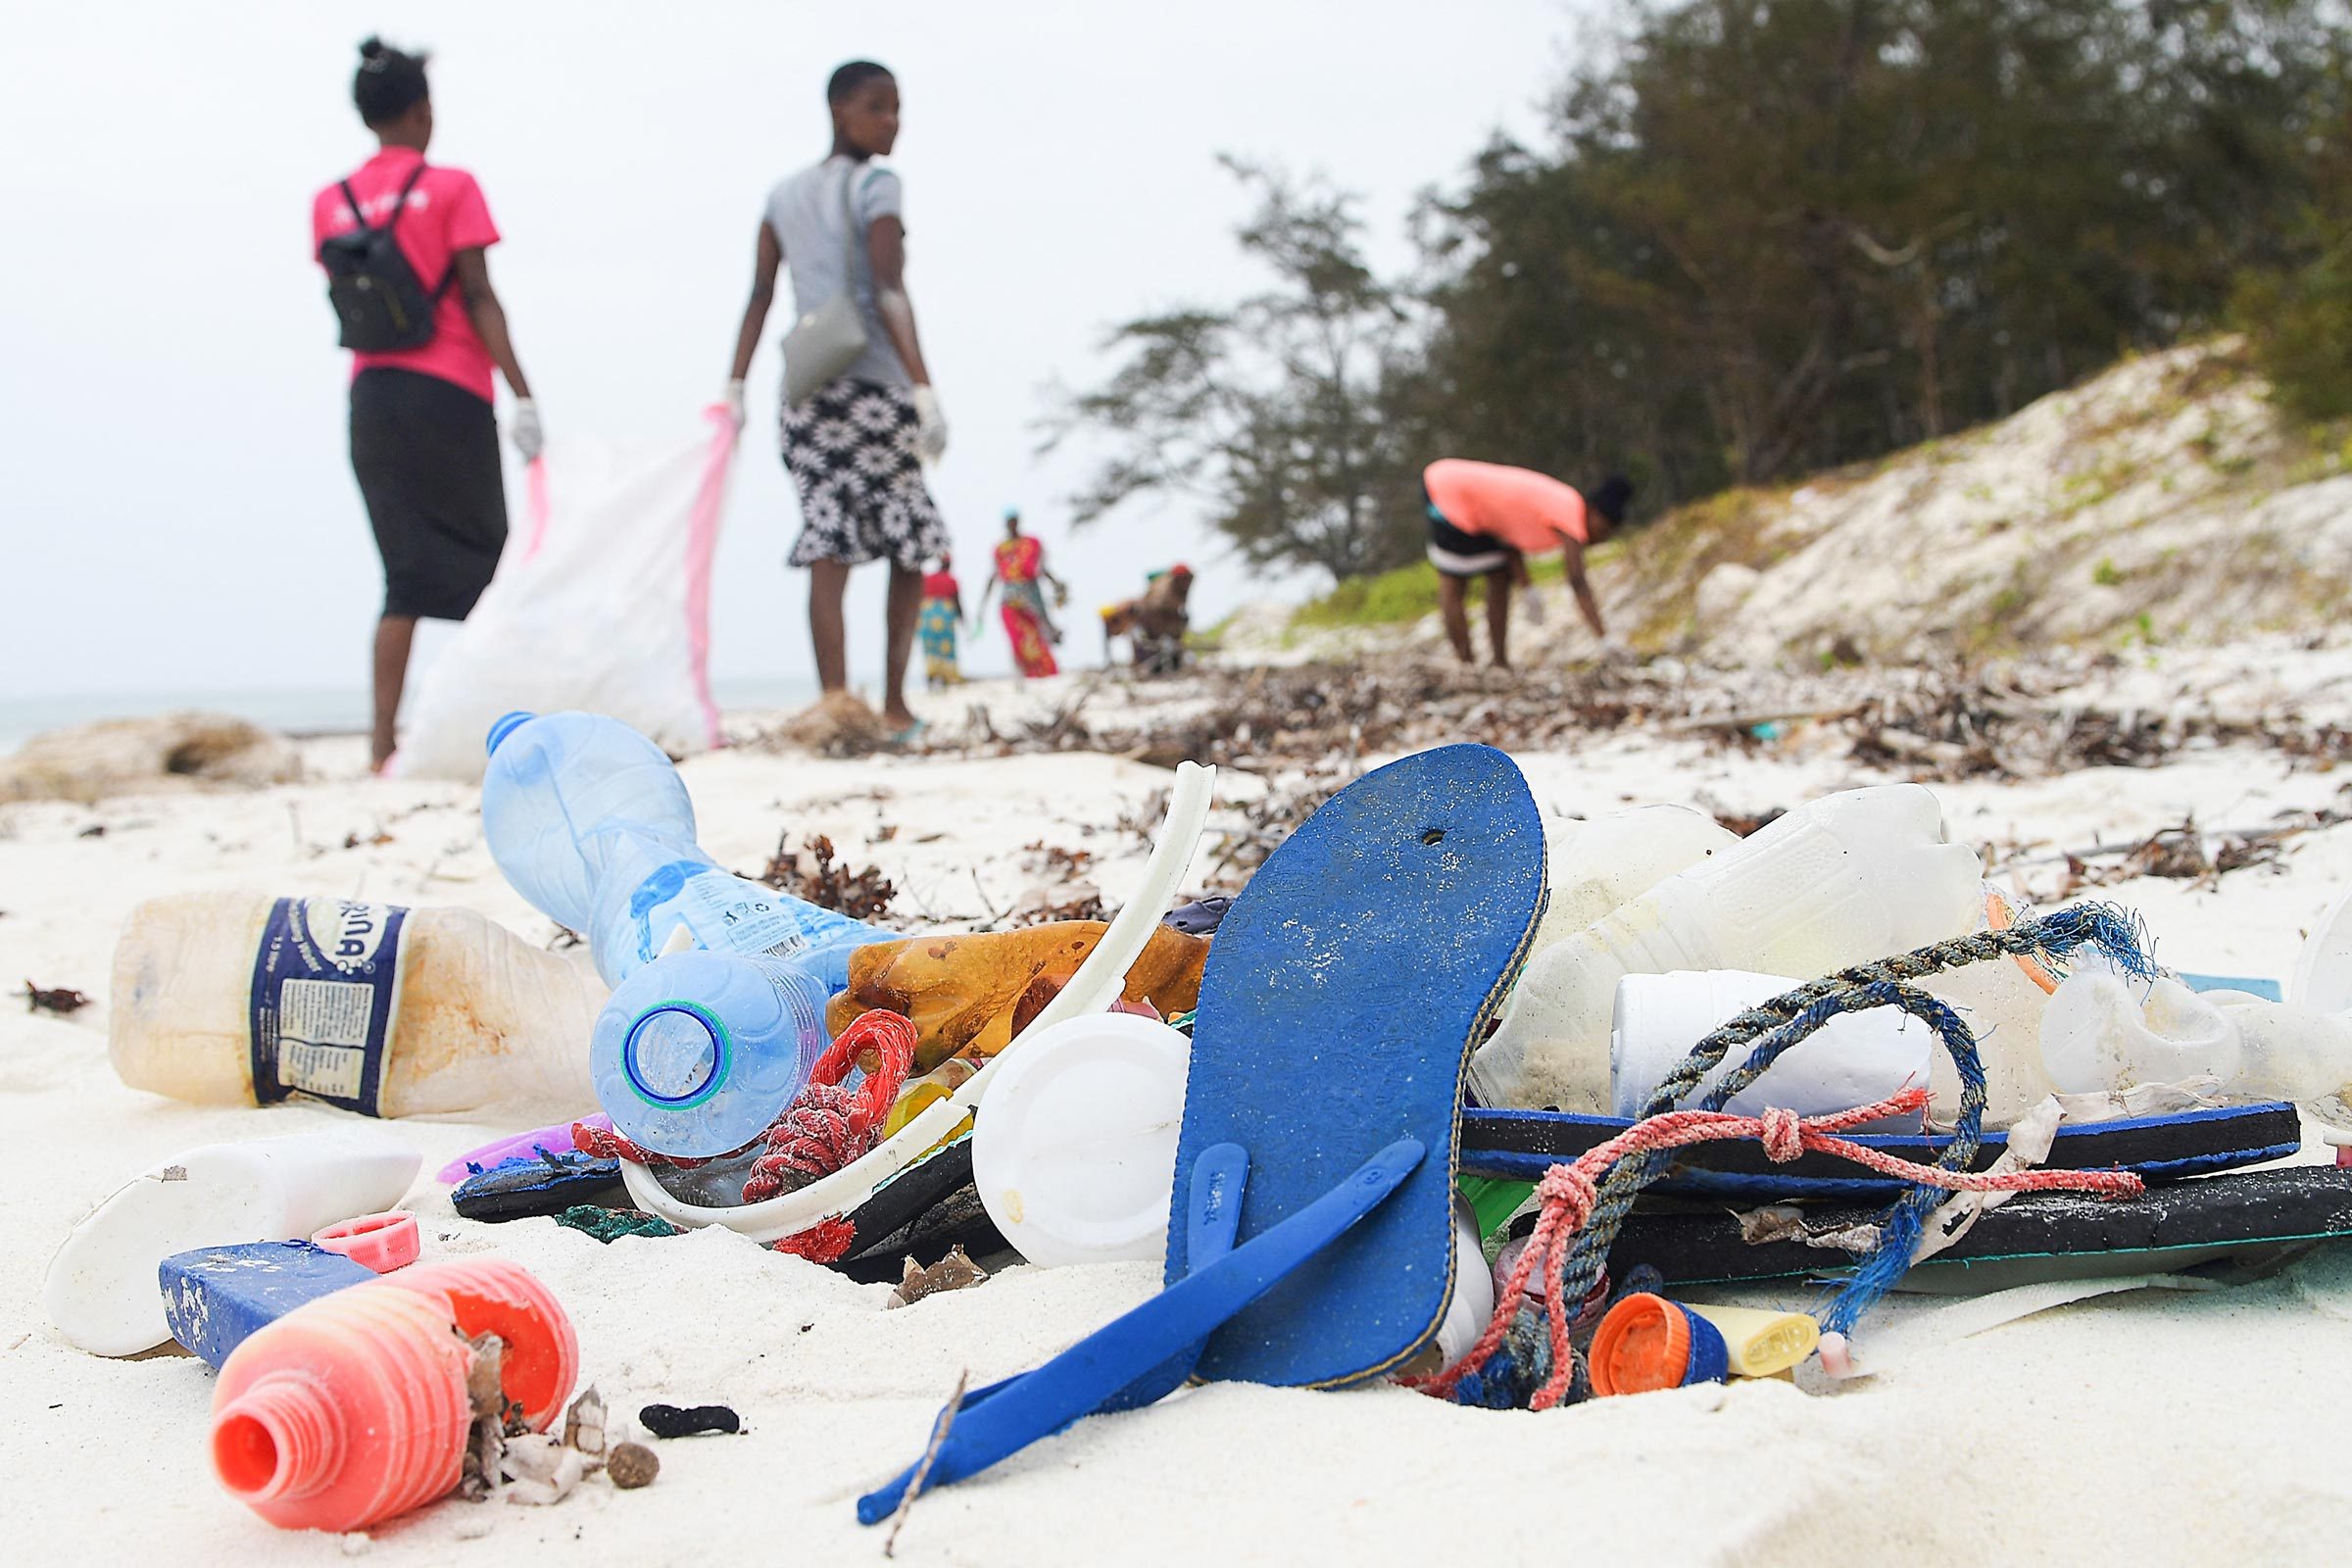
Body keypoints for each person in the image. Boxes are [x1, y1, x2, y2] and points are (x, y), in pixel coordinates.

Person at [313, 37, 539, 769]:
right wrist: (523, 389)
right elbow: (477, 294)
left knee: (403, 576)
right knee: (491, 567)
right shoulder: (451, 187)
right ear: (421, 109)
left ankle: (382, 744)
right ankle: (506, 724)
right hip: (448, 392)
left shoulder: (330, 204)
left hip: (372, 401)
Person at [722, 60, 949, 744]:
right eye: (877, 107)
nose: (892, 122)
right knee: (907, 539)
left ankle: (836, 704)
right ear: (839, 110)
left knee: (831, 541)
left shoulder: (782, 195)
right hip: (875, 388)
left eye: (897, 108)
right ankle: (894, 707)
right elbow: (888, 287)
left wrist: (736, 383)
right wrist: (924, 386)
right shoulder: (879, 184)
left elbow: (762, 296)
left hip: (807, 395)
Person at [1421, 461, 1632, 669]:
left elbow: (1511, 546)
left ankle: (1499, 663)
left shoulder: (1565, 502)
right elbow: (1577, 580)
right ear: (1595, 513)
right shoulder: (1570, 514)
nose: (1601, 537)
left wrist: (1527, 588)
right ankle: (1467, 666)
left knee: (1499, 574)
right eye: (1604, 530)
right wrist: (1604, 639)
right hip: (1449, 492)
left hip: (1464, 494)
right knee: (1454, 577)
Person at [972, 510, 1068, 679]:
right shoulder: (1000, 549)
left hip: (1031, 596)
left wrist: (1056, 584)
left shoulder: (1032, 543)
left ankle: (1045, 671)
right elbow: (993, 576)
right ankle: (1023, 674)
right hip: (1009, 598)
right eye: (1010, 520)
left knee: (1038, 633)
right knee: (1016, 637)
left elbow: (1042, 569)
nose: (1012, 524)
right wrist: (982, 606)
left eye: (1014, 520)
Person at [917, 553, 964, 687]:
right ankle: (946, 678)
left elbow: (919, 598)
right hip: (945, 617)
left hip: (928, 616)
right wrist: (963, 620)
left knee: (930, 648)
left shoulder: (928, 579)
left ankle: (931, 677)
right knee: (946, 648)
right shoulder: (951, 580)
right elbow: (957, 602)